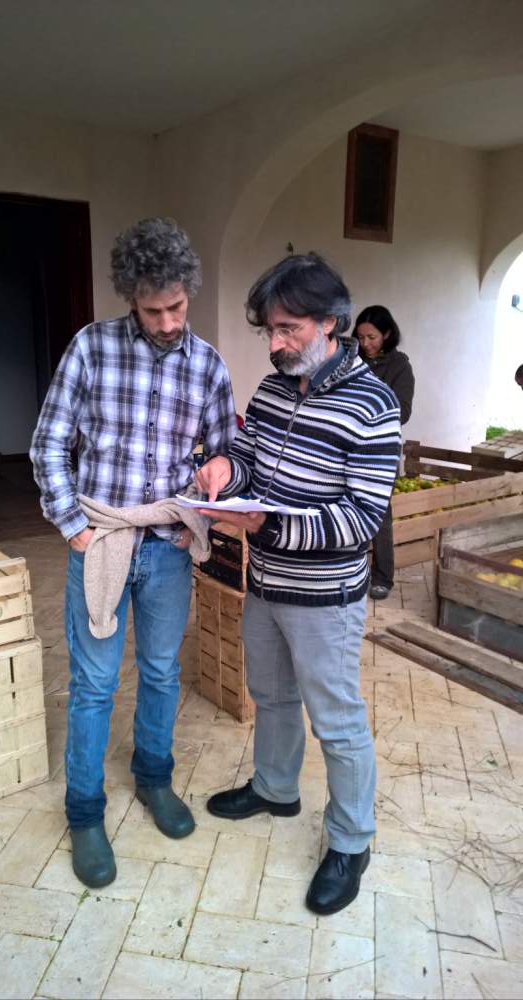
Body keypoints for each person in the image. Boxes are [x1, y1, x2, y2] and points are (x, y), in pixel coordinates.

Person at [30, 217, 238, 888]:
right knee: (94, 684)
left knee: (161, 672)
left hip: (168, 546)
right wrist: (74, 527)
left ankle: (154, 778)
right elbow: (48, 444)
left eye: (177, 306)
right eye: (154, 311)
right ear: (130, 298)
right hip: (102, 542)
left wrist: (219, 474)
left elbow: (225, 450)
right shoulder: (90, 348)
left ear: (188, 292)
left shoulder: (208, 364)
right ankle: (85, 812)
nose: (169, 321)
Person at [195, 253, 401, 916]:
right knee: (272, 696)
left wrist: (269, 526)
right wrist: (225, 469)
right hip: (265, 583)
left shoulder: (374, 404)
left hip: (325, 599)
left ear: (330, 323)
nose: (275, 343)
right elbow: (250, 459)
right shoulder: (273, 387)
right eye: (270, 330)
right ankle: (276, 789)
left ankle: (351, 841)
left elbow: (361, 518)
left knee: (336, 721)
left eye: (289, 329)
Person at [353, 305, 415, 600]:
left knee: (379, 513)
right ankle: (352, 570)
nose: (365, 343)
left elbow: (403, 411)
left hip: (380, 450)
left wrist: (368, 402)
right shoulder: (351, 360)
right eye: (361, 337)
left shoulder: (399, 366)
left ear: (387, 334)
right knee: (347, 506)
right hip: (348, 444)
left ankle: (382, 576)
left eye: (372, 337)